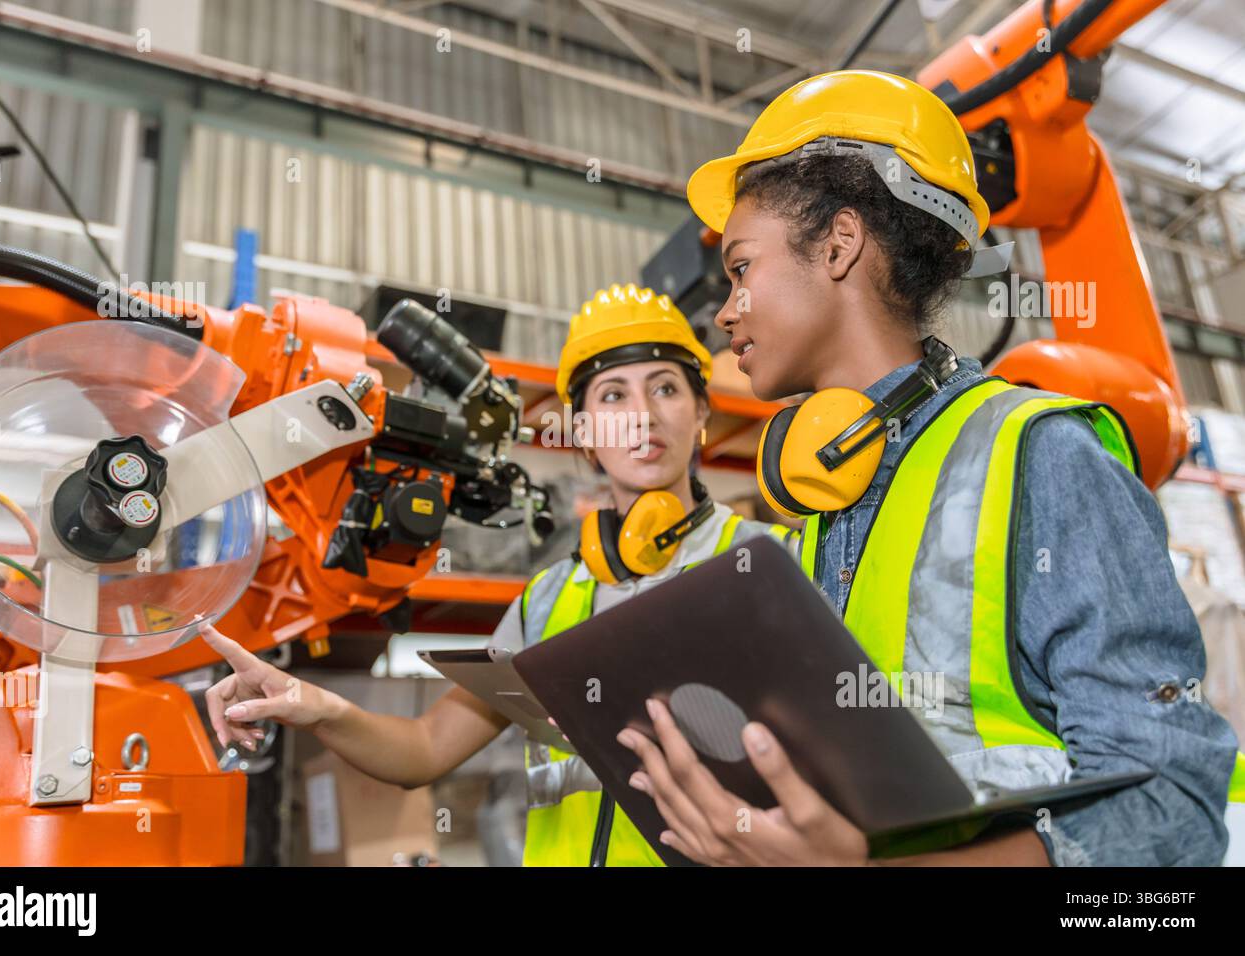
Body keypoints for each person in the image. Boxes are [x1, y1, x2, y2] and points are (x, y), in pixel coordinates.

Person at [615, 69, 1245, 866]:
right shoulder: (826, 502)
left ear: (839, 244)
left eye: (741, 269)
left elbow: (1174, 810)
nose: (726, 311)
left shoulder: (1043, 456)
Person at [200, 282, 794, 867]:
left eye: (664, 387)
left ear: (701, 413)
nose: (642, 415)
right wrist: (314, 705)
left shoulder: (769, 562)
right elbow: (424, 750)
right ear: (584, 432)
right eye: (613, 395)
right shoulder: (548, 599)